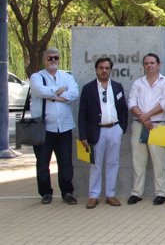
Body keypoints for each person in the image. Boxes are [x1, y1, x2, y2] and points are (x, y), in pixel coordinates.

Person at [29, 48, 79, 205]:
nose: (52, 61)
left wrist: (53, 96)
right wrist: (59, 92)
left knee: (65, 162)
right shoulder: (37, 76)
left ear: (59, 59)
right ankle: (45, 193)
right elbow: (39, 91)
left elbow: (74, 92)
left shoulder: (66, 76)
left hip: (64, 127)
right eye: (49, 58)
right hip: (44, 127)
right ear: (44, 60)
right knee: (43, 163)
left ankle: (67, 192)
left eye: (55, 58)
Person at [78, 57, 129, 209]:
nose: (104, 70)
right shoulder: (88, 89)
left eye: (107, 68)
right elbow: (82, 114)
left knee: (113, 163)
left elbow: (123, 110)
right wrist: (83, 135)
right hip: (96, 131)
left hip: (114, 129)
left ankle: (110, 195)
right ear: (96, 69)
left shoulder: (118, 87)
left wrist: (121, 128)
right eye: (101, 68)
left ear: (110, 70)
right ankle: (93, 196)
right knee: (96, 165)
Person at [127, 53, 165, 206]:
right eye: (146, 63)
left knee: (159, 161)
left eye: (152, 62)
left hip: (159, 125)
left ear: (158, 64)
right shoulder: (138, 83)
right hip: (139, 124)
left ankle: (161, 193)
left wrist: (147, 116)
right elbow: (131, 103)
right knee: (138, 160)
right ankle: (136, 193)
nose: (149, 65)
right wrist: (143, 118)